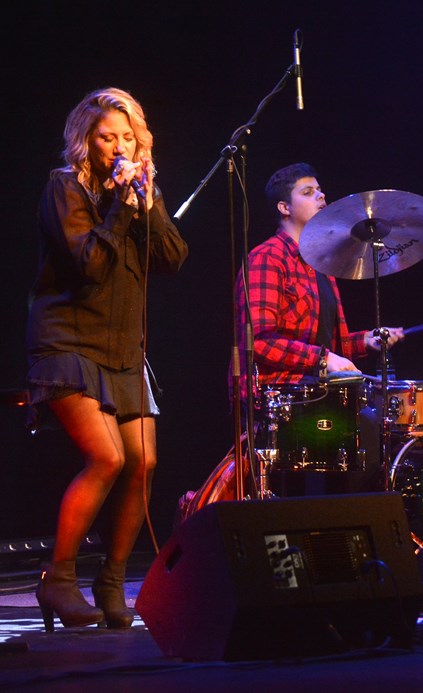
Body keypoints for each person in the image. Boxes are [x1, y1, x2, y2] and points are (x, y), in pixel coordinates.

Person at [26, 87, 188, 629]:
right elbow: (90, 265)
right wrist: (120, 207)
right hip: (68, 340)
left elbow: (173, 258)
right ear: (86, 141)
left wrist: (148, 202)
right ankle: (58, 579)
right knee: (107, 458)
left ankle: (112, 581)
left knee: (143, 462)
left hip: (122, 346)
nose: (119, 147)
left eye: (127, 137)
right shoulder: (64, 188)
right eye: (106, 138)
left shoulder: (140, 193)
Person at [236, 162, 404, 390]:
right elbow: (258, 341)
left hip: (319, 391)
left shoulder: (320, 263)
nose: (321, 195)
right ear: (284, 208)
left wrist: (364, 340)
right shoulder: (267, 258)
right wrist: (323, 358)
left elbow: (323, 342)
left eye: (319, 190)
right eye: (308, 192)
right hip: (279, 394)